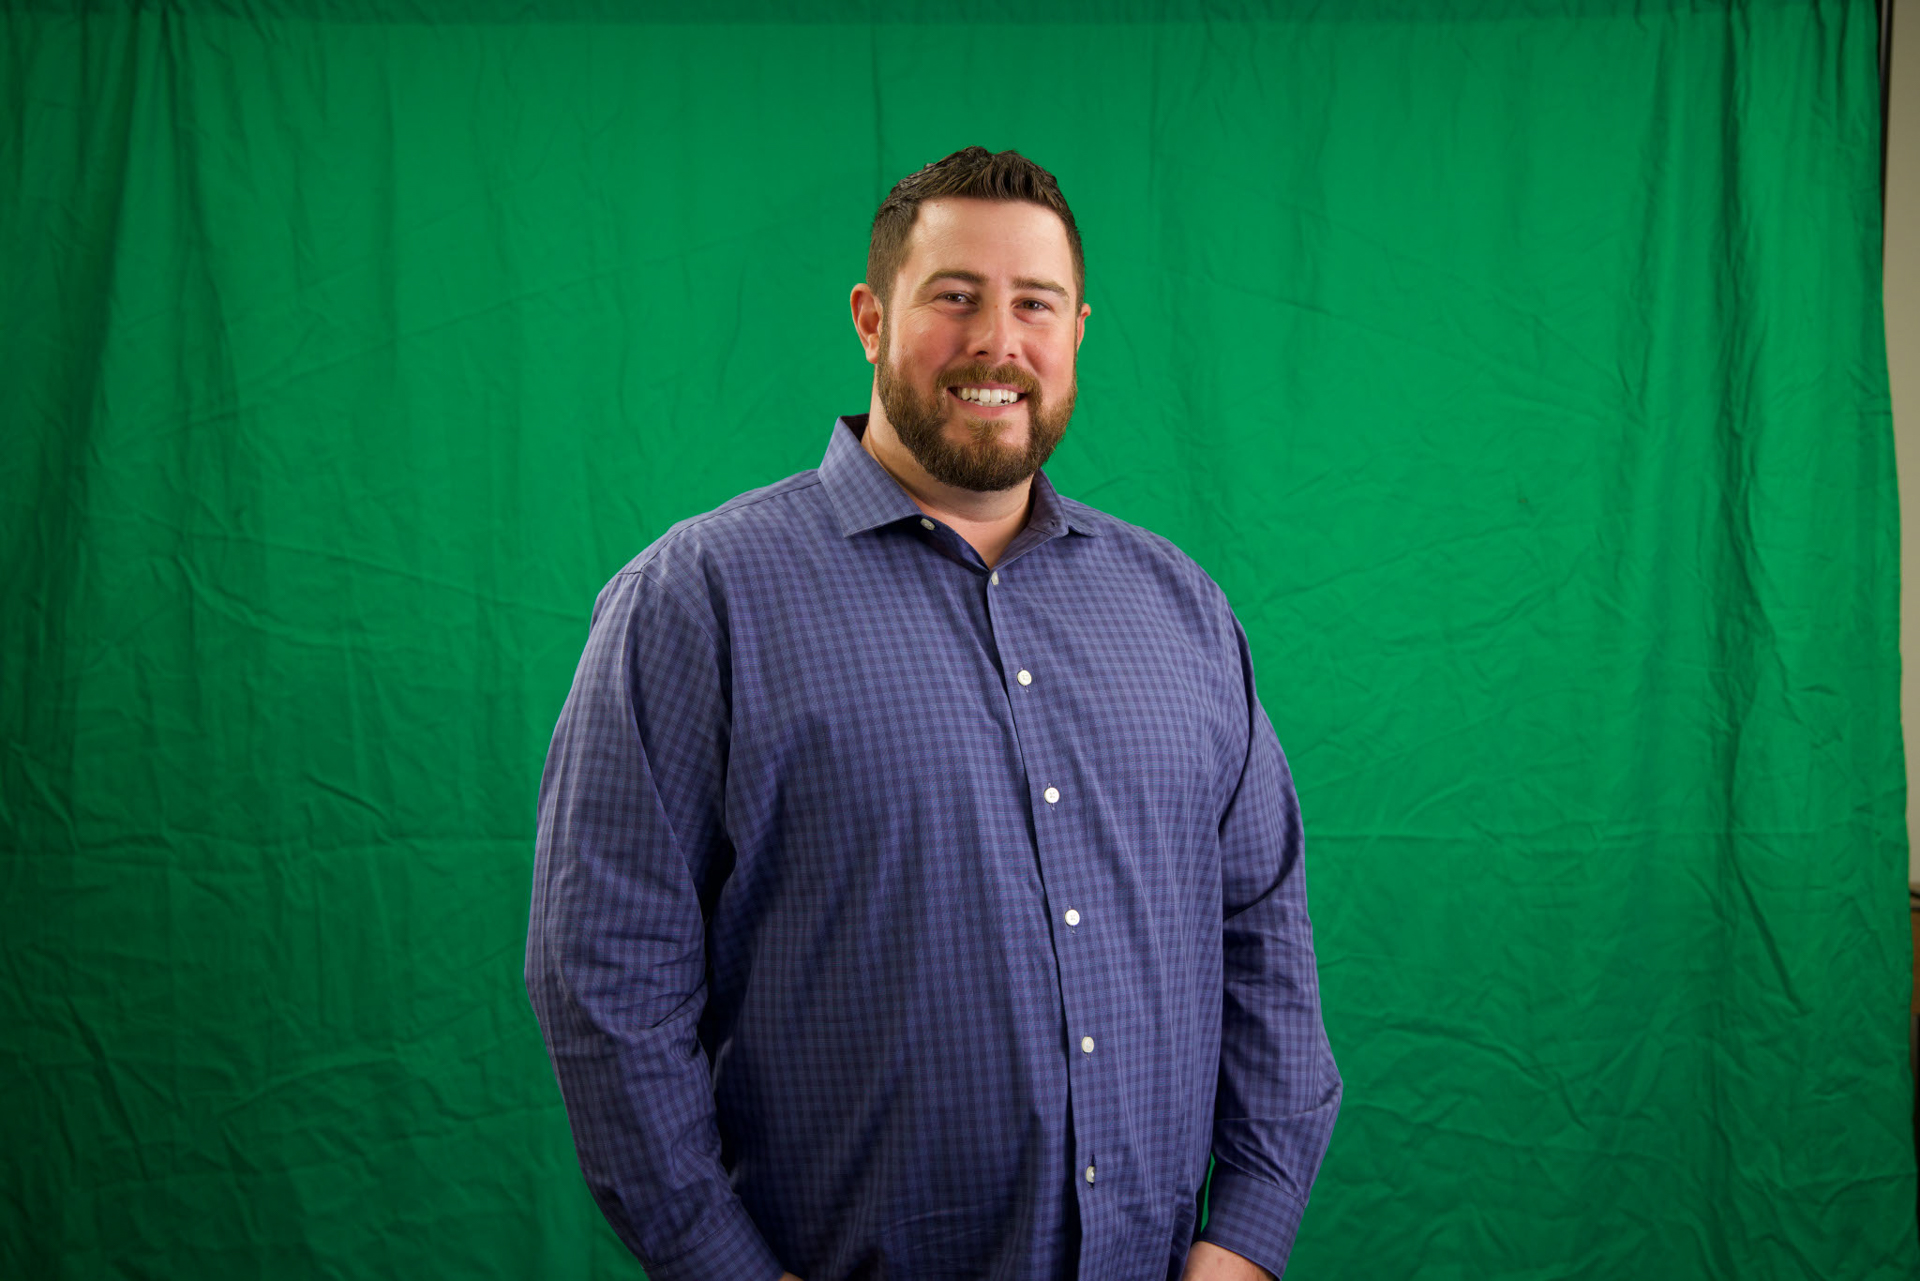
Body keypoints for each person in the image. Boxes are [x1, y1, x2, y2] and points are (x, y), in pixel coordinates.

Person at [526, 146, 1340, 1281]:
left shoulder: (1183, 611)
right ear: (871, 318)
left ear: (1077, 331)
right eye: (955, 296)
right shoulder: (695, 601)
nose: (997, 342)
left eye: (1035, 304)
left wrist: (1243, 1241)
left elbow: (1265, 942)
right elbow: (606, 983)